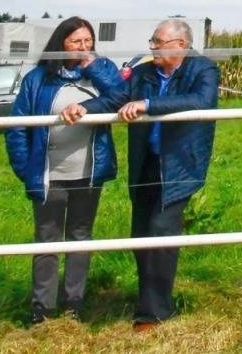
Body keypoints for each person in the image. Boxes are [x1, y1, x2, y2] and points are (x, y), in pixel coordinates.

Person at [67, 18, 218, 333]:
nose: (152, 47)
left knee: (161, 231)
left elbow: (200, 101)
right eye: (152, 41)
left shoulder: (202, 69)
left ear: (180, 45)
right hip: (145, 163)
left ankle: (153, 314)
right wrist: (83, 108)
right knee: (140, 235)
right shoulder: (144, 72)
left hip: (179, 164)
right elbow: (114, 98)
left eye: (157, 41)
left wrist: (147, 104)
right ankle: (153, 298)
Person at [5, 16, 122, 324]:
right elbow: (17, 128)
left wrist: (91, 65)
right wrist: (25, 168)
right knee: (47, 238)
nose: (84, 47)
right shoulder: (37, 79)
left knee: (80, 236)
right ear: (61, 44)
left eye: (88, 42)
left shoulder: (101, 70)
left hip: (88, 171)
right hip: (49, 174)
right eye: (76, 42)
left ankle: (74, 303)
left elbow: (119, 96)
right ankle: (41, 308)